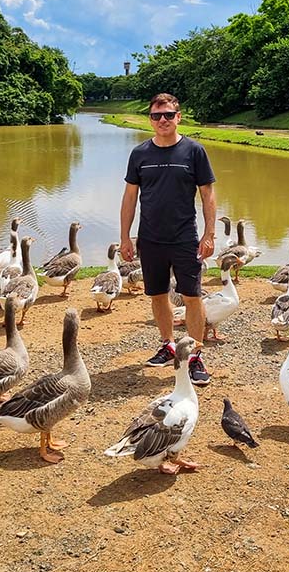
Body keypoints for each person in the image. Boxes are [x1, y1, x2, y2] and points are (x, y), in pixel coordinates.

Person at [120, 93, 217, 386]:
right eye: (156, 116)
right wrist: (125, 236)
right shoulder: (140, 154)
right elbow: (129, 197)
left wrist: (209, 233)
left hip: (184, 236)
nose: (162, 120)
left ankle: (196, 356)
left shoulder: (194, 151)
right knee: (158, 294)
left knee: (192, 295)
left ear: (179, 117)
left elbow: (208, 195)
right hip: (150, 238)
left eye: (168, 115)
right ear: (150, 119)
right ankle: (168, 344)